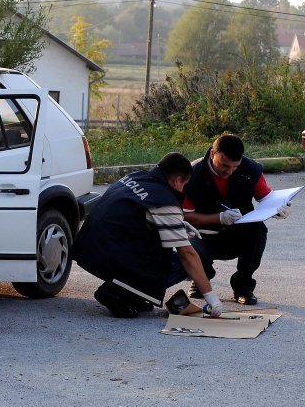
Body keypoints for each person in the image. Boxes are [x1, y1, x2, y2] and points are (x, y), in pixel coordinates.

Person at [72, 152, 223, 319]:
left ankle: (134, 293)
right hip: (111, 252)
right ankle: (116, 292)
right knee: (179, 264)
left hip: (87, 245)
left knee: (155, 246)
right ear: (177, 180)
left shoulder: (136, 176)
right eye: (184, 185)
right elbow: (187, 255)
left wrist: (178, 224)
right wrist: (211, 298)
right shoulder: (164, 200)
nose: (183, 190)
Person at [181, 134, 291, 305]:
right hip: (202, 235)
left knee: (258, 231)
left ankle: (243, 286)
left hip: (237, 234)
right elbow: (185, 216)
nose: (229, 171)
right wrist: (218, 218)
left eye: (234, 167)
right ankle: (201, 278)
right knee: (188, 239)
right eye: (224, 165)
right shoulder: (192, 174)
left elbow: (267, 198)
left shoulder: (250, 169)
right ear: (212, 154)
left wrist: (277, 209)